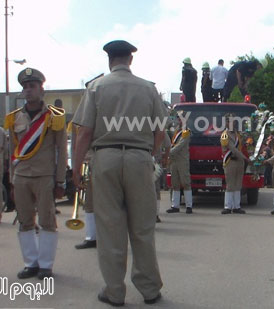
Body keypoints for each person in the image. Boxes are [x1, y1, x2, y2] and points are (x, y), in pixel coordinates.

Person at [72, 40, 165, 306]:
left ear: (109, 60)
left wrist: (77, 168)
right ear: (130, 60)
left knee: (110, 227)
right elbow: (160, 132)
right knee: (143, 227)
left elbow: (84, 132)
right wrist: (147, 154)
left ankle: (114, 291)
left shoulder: (96, 87)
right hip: (139, 157)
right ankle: (149, 289)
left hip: (106, 157)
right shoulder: (149, 89)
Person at [4, 68, 67, 280]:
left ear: (42, 89)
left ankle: (46, 265)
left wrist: (60, 180)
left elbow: (61, 150)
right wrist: (12, 181)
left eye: (32, 86)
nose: (28, 90)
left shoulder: (54, 118)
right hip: (21, 176)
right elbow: (13, 151)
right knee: (24, 220)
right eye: (25, 87)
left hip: (44, 176)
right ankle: (30, 263)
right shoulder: (14, 119)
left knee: (47, 220)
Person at [221, 113, 250, 214]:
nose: (232, 123)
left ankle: (236, 206)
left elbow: (242, 147)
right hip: (230, 161)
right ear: (227, 122)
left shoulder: (238, 134)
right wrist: (245, 158)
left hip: (239, 162)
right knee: (230, 185)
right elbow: (233, 149)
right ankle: (228, 206)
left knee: (238, 184)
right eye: (231, 121)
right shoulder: (225, 135)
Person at [166, 112, 192, 214]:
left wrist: (168, 152)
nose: (180, 120)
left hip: (182, 159)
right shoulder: (176, 130)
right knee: (175, 183)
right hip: (174, 159)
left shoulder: (186, 131)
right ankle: (175, 206)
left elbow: (181, 144)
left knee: (185, 182)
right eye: (179, 118)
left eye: (181, 118)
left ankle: (189, 206)